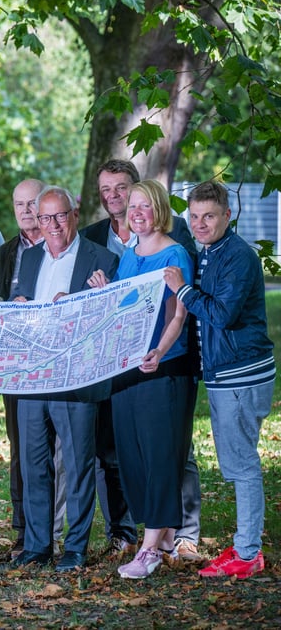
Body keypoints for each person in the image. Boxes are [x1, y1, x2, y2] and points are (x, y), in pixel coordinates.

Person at [80, 158, 202, 560]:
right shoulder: (130, 253)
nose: (135, 213)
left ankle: (150, 547)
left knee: (159, 454)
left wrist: (159, 352)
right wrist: (104, 287)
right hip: (125, 366)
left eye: (143, 206)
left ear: (159, 211)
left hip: (161, 368)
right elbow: (126, 305)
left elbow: (177, 314)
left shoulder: (176, 253)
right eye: (131, 208)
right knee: (130, 454)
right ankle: (162, 538)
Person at [165, 180, 275, 580]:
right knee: (237, 462)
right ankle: (245, 543)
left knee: (242, 465)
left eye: (208, 216)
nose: (199, 224)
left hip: (241, 374)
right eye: (193, 217)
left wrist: (183, 291)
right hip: (225, 373)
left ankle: (247, 553)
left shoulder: (239, 256)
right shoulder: (209, 251)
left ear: (227, 215)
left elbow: (223, 314)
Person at [8, 186, 119, 572]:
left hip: (76, 377)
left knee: (77, 463)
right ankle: (38, 547)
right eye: (44, 218)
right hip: (33, 377)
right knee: (34, 464)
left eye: (60, 216)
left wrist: (103, 299)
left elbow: (111, 322)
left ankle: (75, 548)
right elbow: (18, 306)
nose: (52, 225)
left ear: (74, 214)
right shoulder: (31, 256)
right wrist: (18, 305)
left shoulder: (101, 258)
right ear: (36, 222)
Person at [0, 178, 45, 557]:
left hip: (59, 360)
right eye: (19, 204)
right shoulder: (3, 254)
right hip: (18, 368)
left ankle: (63, 529)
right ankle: (25, 530)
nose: (26, 211)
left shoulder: (65, 248)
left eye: (33, 204)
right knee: (24, 450)